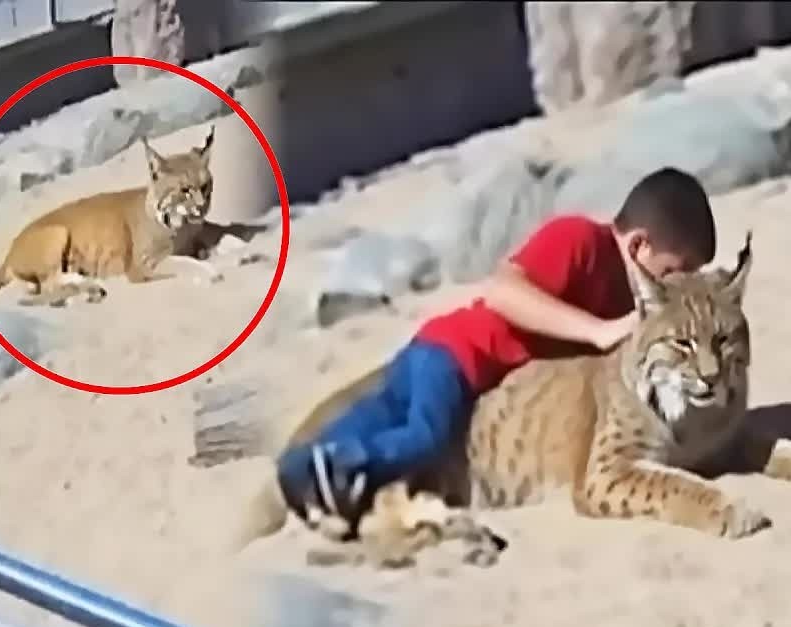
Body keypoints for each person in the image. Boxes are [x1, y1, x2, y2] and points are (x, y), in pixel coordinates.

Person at [276, 167, 719, 529]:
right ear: (639, 245)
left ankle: (299, 468)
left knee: (372, 419)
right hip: (457, 357)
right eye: (672, 271)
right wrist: (597, 331)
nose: (676, 287)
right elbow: (503, 293)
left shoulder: (626, 291)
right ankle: (341, 464)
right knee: (424, 437)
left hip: (448, 357)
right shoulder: (580, 240)